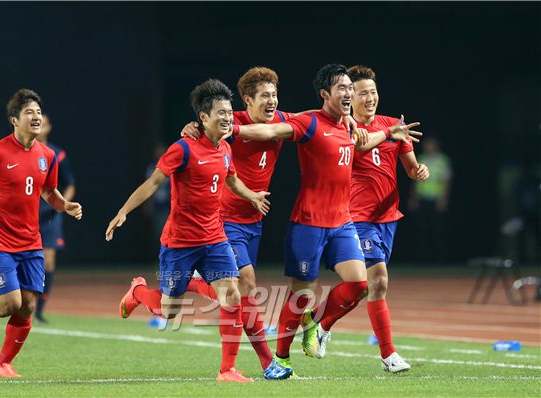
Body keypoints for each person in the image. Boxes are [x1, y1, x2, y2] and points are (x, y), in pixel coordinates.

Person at [230, 64, 422, 371]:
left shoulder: (349, 125)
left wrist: (387, 132)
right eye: (342, 89)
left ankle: (317, 323)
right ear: (325, 94)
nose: (349, 93)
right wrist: (234, 130)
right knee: (301, 293)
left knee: (361, 283)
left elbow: (362, 143)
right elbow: (270, 129)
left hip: (342, 223)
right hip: (308, 223)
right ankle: (281, 358)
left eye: (350, 88)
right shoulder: (309, 122)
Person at [105, 79, 290, 382]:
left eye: (230, 112)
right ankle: (138, 290)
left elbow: (230, 180)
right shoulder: (183, 149)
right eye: (221, 113)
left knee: (232, 294)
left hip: (215, 238)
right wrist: (124, 212)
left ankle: (227, 370)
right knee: (169, 311)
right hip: (179, 243)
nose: (228, 118)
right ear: (203, 118)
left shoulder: (226, 149)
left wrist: (252, 195)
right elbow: (153, 182)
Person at [305, 65, 430, 372]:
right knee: (378, 280)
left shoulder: (393, 126)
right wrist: (388, 133)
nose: (370, 98)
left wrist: (419, 172)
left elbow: (411, 167)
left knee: (369, 287)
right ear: (350, 96)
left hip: (387, 217)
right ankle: (389, 356)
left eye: (373, 92)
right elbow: (360, 144)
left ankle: (320, 322)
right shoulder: (347, 128)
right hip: (355, 216)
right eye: (362, 93)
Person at [180, 67, 296, 375]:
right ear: (248, 100)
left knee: (238, 294)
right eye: (265, 96)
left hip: (253, 222)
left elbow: (306, 120)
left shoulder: (279, 122)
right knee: (247, 285)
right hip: (225, 219)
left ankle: (187, 282)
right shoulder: (231, 120)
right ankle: (267, 363)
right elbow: (202, 134)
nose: (272, 101)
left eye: (274, 95)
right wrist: (192, 127)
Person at [0, 89, 83, 378]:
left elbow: (48, 192)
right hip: (0, 240)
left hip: (31, 243)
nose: (36, 116)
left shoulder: (48, 155)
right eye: (29, 112)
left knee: (28, 305)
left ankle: (2, 364)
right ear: (14, 120)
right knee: (9, 304)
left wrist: (64, 205)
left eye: (38, 112)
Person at [35, 114, 76, 323]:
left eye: (43, 123)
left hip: (50, 214)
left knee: (48, 262)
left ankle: (39, 310)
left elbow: (70, 183)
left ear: (49, 127)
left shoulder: (57, 154)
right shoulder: (22, 152)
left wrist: (63, 205)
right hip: (28, 214)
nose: (39, 126)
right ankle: (21, 301)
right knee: (24, 259)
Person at [409, 135, 451, 263]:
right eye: (427, 144)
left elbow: (446, 181)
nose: (428, 146)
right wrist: (413, 198)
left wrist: (443, 199)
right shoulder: (420, 158)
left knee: (437, 230)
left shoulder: (442, 160)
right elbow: (415, 181)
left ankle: (439, 260)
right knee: (422, 230)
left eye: (431, 144)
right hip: (422, 199)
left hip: (435, 199)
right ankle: (422, 260)